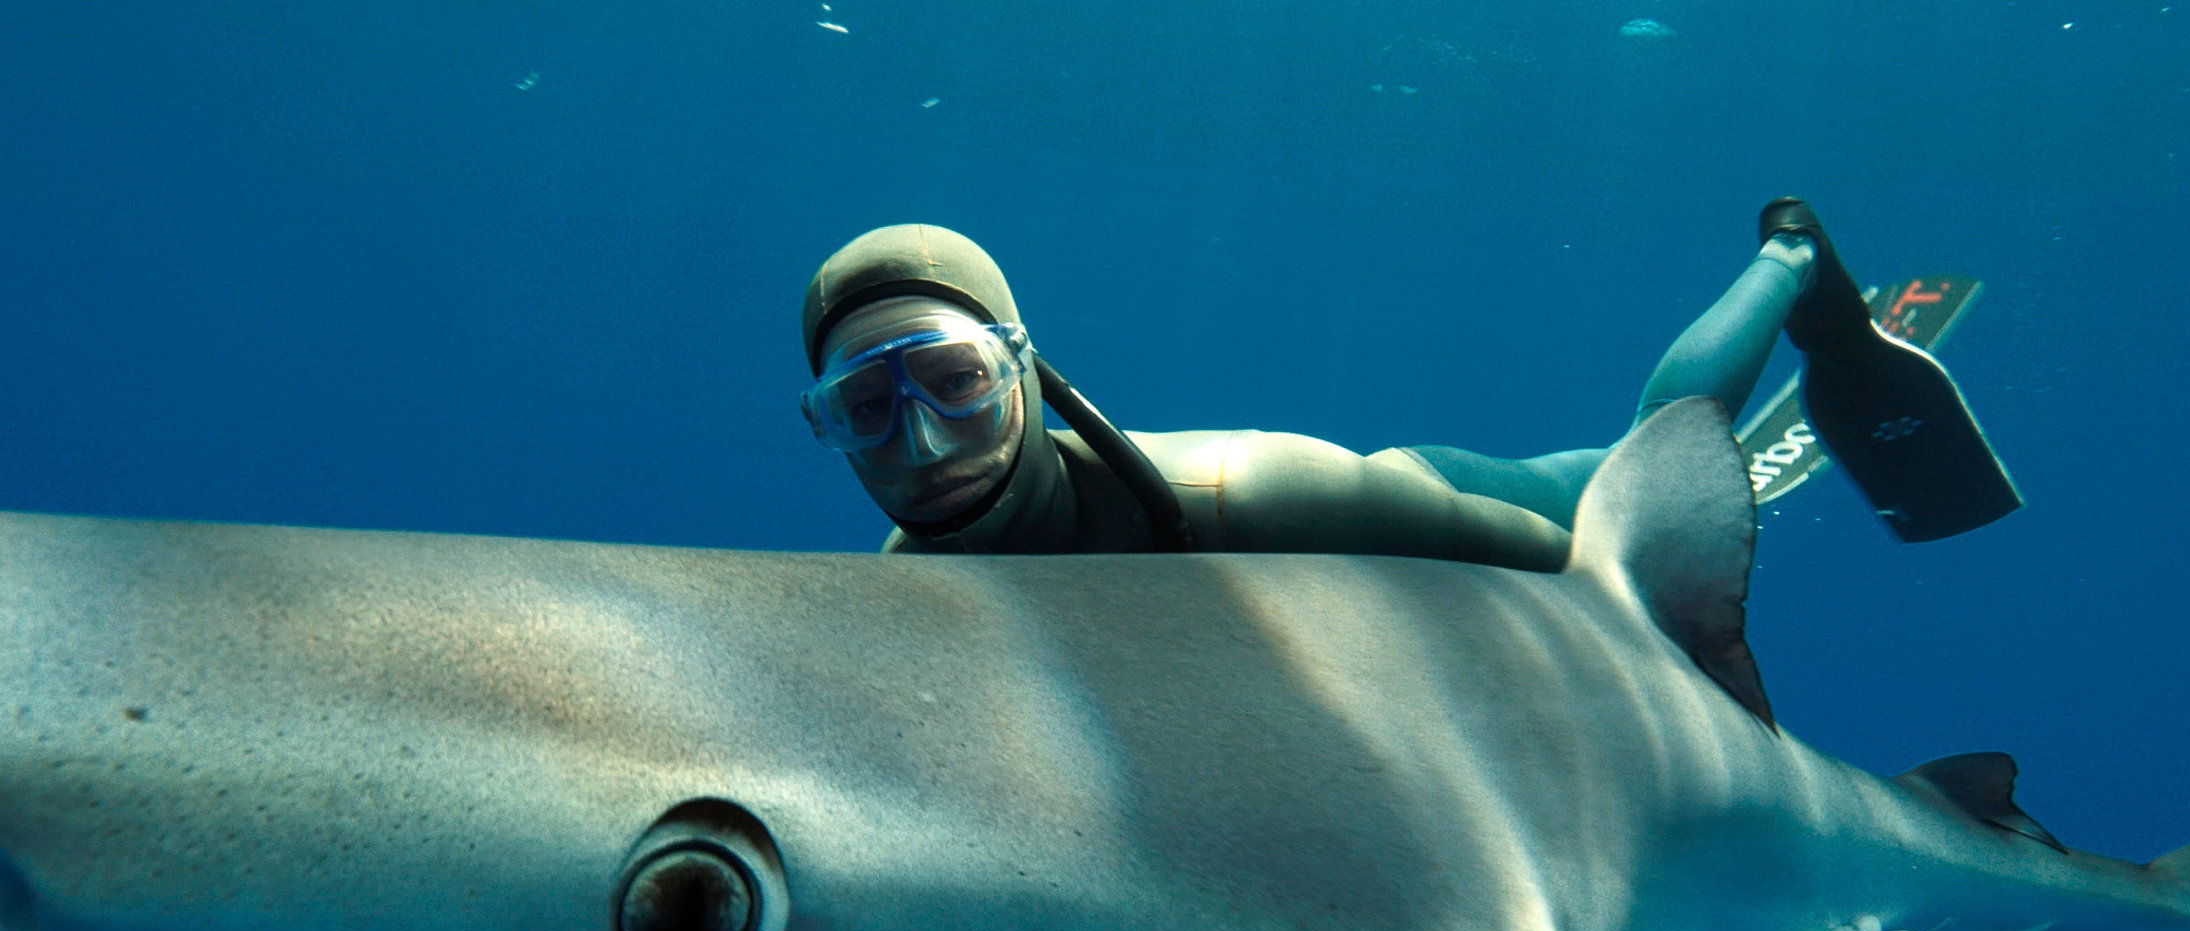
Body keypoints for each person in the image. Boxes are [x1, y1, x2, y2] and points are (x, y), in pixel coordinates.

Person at [799, 201, 1983, 568]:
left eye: (954, 381)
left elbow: (1595, 582)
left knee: (1653, 461)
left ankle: (1794, 261)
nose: (921, 440)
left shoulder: (1239, 490)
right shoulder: (909, 590)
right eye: (864, 408)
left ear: (1026, 370)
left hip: (1428, 504)